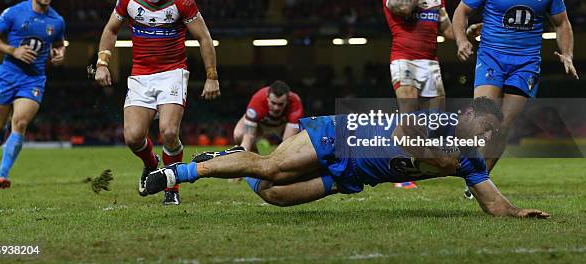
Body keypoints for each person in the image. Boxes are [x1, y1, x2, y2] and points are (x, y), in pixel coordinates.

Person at [144, 98, 549, 218]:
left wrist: (515, 212)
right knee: (269, 166)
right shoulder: (440, 121)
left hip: (349, 177)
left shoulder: (470, 161)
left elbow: (492, 202)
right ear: (467, 116)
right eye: (483, 126)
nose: (486, 135)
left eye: (491, 132)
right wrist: (439, 160)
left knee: (273, 194)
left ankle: (231, 157)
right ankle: (180, 172)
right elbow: (403, 131)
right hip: (341, 137)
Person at [452, 0, 578, 197]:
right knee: (485, 117)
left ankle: (477, 182)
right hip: (492, 57)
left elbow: (562, 24)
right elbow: (461, 12)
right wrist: (461, 40)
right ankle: (467, 158)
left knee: (503, 125)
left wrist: (566, 53)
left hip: (526, 63)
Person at [94, 0, 220, 205]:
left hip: (172, 73)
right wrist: (102, 63)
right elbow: (110, 30)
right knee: (133, 137)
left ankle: (171, 187)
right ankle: (152, 165)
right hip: (141, 74)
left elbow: (204, 38)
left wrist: (212, 76)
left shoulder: (183, 1)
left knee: (169, 132)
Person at [0, 0, 66, 189]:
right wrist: (13, 50)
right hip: (8, 74)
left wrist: (59, 54)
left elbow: (58, 44)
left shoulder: (57, 21)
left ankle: (1, 175)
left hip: (34, 79)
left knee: (19, 122)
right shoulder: (14, 13)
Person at [382, 0, 455, 189]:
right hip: (404, 60)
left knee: (436, 118)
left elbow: (447, 30)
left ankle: (426, 162)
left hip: (430, 62)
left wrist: (468, 33)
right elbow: (404, 9)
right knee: (410, 115)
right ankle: (400, 172)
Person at [233, 81, 303, 152]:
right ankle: (256, 159)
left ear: (288, 100)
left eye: (280, 104)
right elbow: (248, 137)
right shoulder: (257, 100)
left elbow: (287, 142)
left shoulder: (295, 102)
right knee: (239, 135)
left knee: (290, 146)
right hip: (260, 125)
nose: (276, 108)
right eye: (273, 103)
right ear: (267, 97)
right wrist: (243, 153)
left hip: (283, 126)